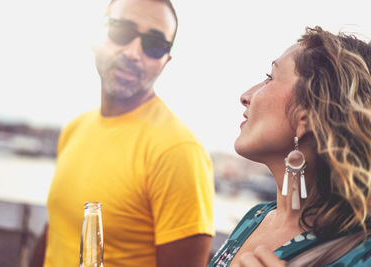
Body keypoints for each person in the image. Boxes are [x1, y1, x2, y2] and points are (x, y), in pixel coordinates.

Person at [32, 0, 215, 266]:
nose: (133, 52)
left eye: (154, 45)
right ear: (97, 36)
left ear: (165, 61)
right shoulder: (76, 128)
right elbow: (57, 233)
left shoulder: (177, 150)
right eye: (121, 32)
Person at [208, 26, 371, 267]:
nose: (245, 95)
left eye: (270, 77)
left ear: (308, 114)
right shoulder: (255, 217)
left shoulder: (360, 253)